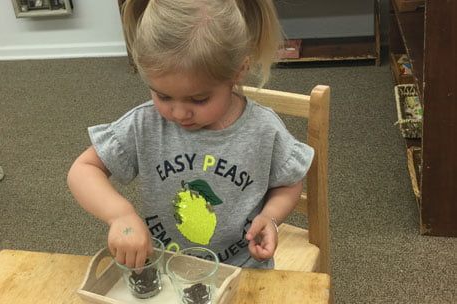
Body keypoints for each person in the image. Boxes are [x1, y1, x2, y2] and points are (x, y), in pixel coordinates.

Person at [67, 0, 313, 270]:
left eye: (198, 99)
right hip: (166, 268)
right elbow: (83, 169)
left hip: (242, 269)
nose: (179, 113)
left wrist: (271, 217)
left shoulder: (264, 129)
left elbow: (289, 181)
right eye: (163, 95)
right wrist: (119, 215)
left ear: (238, 72)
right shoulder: (145, 123)